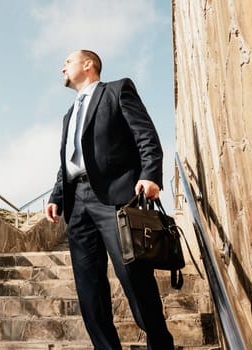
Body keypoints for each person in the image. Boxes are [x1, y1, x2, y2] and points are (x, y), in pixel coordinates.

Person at [46, 50, 174, 350]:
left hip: (115, 197)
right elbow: (68, 161)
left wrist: (151, 174)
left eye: (68, 61)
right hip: (77, 204)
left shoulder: (117, 90)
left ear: (88, 64)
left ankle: (160, 344)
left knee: (133, 277)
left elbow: (146, 135)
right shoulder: (69, 114)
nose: (62, 67)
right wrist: (57, 195)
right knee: (89, 289)